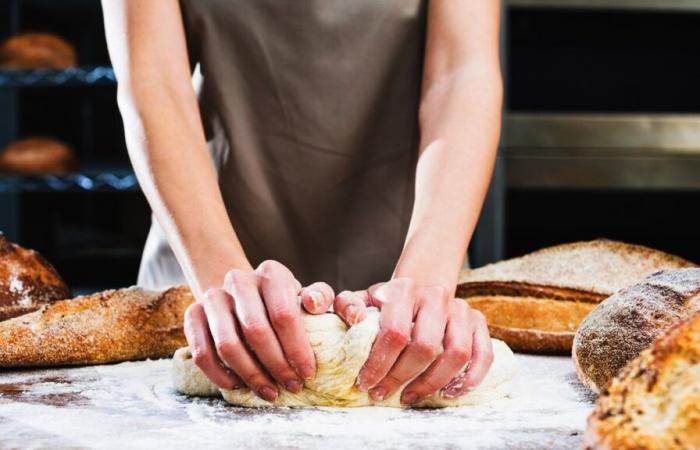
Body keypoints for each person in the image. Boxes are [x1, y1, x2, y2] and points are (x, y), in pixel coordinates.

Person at [102, 0, 502, 406]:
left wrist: (428, 278)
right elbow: (154, 79)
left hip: (410, 274)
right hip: (205, 275)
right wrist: (223, 283)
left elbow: (461, 74)